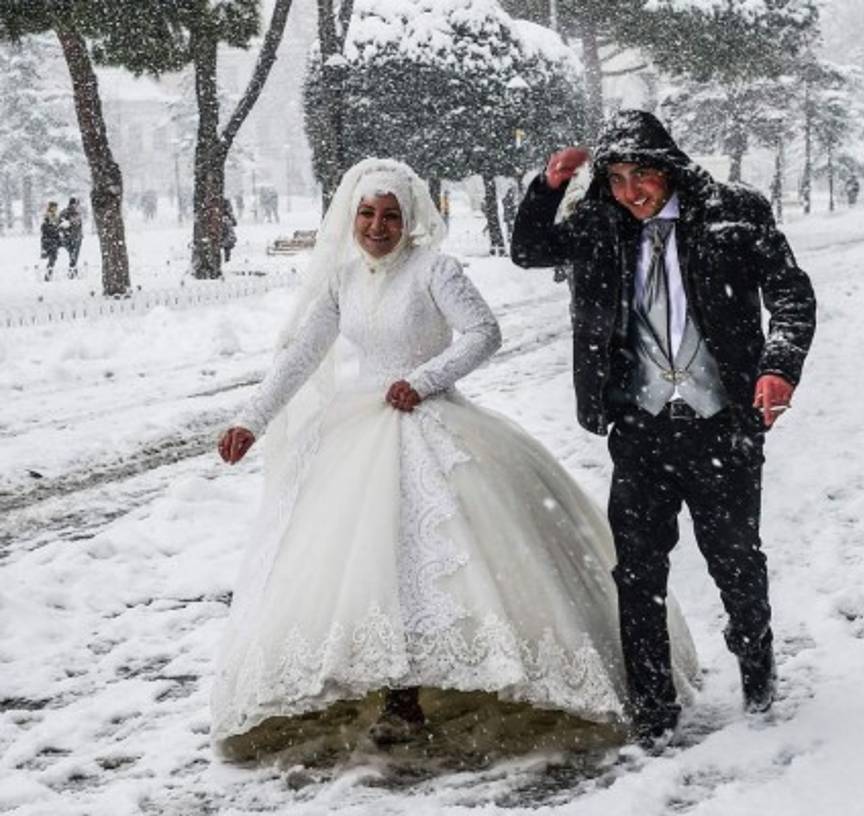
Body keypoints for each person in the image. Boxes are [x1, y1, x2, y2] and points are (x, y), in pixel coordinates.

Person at [210, 157, 698, 754]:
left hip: (433, 421)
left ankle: (450, 678)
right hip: (358, 433)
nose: (377, 225)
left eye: (390, 215)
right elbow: (299, 357)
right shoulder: (341, 281)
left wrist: (424, 379)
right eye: (367, 213)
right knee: (369, 560)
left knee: (439, 556)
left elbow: (483, 332)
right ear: (352, 218)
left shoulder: (435, 270)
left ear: (409, 218)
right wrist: (250, 421)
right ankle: (395, 689)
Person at [510, 110, 816, 745]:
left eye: (641, 176)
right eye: (616, 178)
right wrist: (547, 188)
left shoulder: (734, 212)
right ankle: (654, 708)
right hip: (640, 427)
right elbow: (529, 250)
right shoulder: (598, 223)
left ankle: (755, 660)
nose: (630, 193)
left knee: (735, 562)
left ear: (668, 167)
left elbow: (791, 293)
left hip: (723, 424)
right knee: (638, 572)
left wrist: (778, 367)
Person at [59, 197, 84, 278]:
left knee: (74, 255)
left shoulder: (77, 213)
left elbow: (79, 225)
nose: (77, 206)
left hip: (77, 236)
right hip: (69, 237)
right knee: (73, 254)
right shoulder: (65, 213)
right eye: (76, 204)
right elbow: (61, 224)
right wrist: (66, 233)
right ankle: (72, 272)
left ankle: (73, 271)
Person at [40, 202, 61, 281]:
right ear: (51, 207)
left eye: (56, 207)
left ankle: (49, 274)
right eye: (54, 207)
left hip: (54, 240)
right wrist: (54, 229)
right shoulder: (47, 216)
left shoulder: (55, 216)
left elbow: (57, 227)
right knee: (52, 258)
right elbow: (44, 228)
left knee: (53, 258)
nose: (55, 209)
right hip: (49, 241)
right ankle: (48, 275)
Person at [221, 198, 237, 263]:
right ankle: (227, 259)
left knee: (224, 243)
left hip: (221, 227)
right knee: (227, 244)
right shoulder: (226, 204)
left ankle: (226, 259)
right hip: (226, 228)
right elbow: (234, 221)